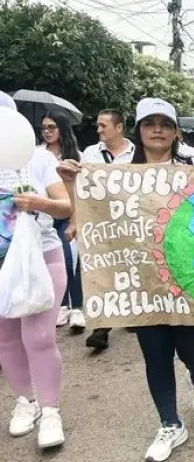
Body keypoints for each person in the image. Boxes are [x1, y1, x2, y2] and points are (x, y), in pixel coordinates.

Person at [59, 98, 194, 462]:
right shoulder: (114, 174)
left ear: (176, 133)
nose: (157, 129)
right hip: (141, 284)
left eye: (164, 123)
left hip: (190, 280)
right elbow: (91, 214)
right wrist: (72, 186)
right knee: (155, 354)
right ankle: (170, 424)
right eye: (149, 123)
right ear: (140, 131)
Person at [0, 120, 73, 449]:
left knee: (40, 336)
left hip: (43, 256)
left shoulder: (40, 159)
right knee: (6, 337)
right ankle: (24, 401)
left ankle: (49, 409)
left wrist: (37, 203)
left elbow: (66, 206)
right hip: (3, 262)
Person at [77, 109, 136, 351]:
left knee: (130, 267)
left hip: (131, 219)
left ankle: (134, 312)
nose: (99, 130)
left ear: (119, 128)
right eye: (98, 126)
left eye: (103, 126)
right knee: (102, 270)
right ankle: (101, 328)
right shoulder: (90, 153)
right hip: (99, 220)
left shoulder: (137, 153)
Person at [39, 113, 85, 333]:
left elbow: (80, 191)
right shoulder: (36, 155)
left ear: (63, 130)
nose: (47, 131)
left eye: (52, 127)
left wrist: (75, 219)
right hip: (45, 217)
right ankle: (62, 304)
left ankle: (76, 306)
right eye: (44, 128)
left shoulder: (76, 156)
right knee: (54, 264)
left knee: (71, 261)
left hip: (69, 215)